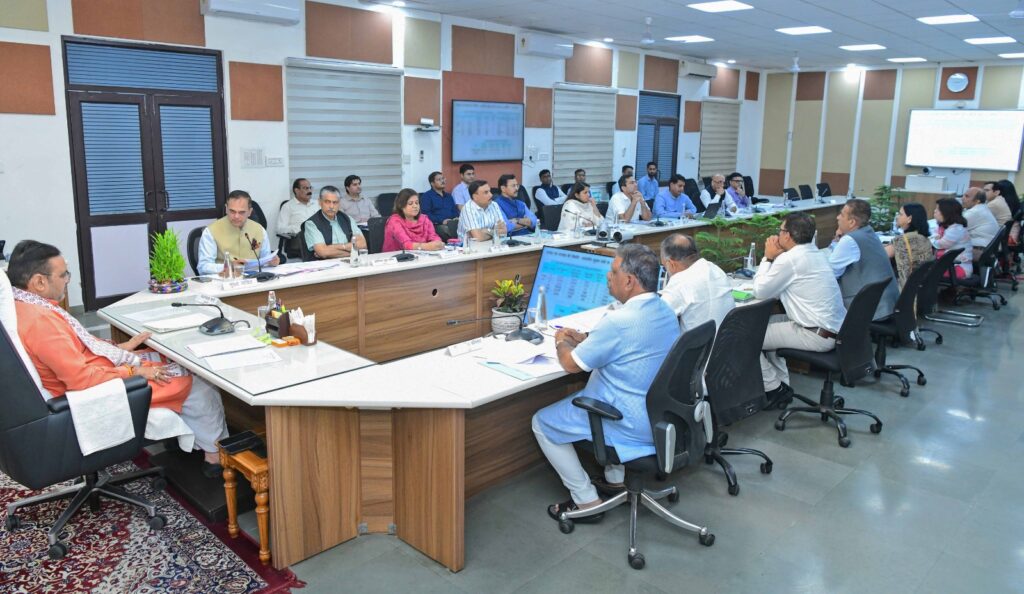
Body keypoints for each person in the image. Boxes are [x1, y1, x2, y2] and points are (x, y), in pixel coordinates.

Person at [8, 241, 228, 477]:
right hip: (93, 395)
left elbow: (75, 351)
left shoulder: (22, 307)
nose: (67, 280)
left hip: (95, 376)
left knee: (161, 357)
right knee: (194, 376)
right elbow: (81, 379)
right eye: (63, 275)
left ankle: (186, 438)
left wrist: (121, 348)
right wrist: (135, 372)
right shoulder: (41, 322)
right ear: (39, 282)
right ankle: (214, 455)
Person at [532, 244, 680, 519]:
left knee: (542, 422)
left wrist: (562, 341)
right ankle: (615, 481)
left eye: (613, 272)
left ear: (629, 281)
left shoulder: (618, 321)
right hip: (661, 416)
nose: (608, 277)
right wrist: (588, 339)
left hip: (627, 421)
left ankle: (586, 500)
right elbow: (632, 346)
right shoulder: (664, 310)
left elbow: (571, 365)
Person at [753, 212, 847, 408]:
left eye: (780, 231)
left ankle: (774, 389)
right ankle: (782, 385)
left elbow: (760, 291)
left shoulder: (790, 259)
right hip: (833, 331)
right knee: (765, 325)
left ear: (787, 235)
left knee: (746, 339)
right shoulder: (815, 253)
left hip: (814, 334)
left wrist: (768, 258)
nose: (777, 235)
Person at [829, 199, 899, 320]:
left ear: (852, 222)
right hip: (887, 304)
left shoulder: (849, 240)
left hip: (870, 310)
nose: (837, 217)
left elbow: (830, 274)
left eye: (842, 214)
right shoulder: (869, 232)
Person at [659, 234, 734, 332]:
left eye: (665, 266)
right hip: (728, 339)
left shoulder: (680, 281)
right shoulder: (715, 269)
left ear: (671, 264)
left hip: (704, 341)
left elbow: (658, 318)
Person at [197, 190, 279, 276]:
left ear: (250, 212)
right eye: (232, 211)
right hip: (225, 279)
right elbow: (203, 267)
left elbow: (265, 259)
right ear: (226, 209)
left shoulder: (259, 229)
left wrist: (271, 262)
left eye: (241, 212)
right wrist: (229, 266)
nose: (236, 216)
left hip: (254, 278)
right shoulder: (211, 231)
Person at [304, 186, 367, 259]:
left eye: (335, 202)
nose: (331, 206)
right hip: (325, 264)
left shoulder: (347, 219)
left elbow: (362, 244)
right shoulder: (311, 223)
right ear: (320, 202)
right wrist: (352, 251)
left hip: (349, 262)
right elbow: (323, 252)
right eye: (327, 202)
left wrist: (339, 247)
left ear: (339, 203)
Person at [884, 203, 935, 290]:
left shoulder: (903, 240)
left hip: (902, 286)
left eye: (900, 214)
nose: (897, 217)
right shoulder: (923, 238)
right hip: (919, 285)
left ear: (909, 219)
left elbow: (881, 254)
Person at [931, 198, 973, 279]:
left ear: (946, 212)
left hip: (959, 268)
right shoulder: (946, 226)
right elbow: (935, 236)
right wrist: (935, 238)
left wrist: (933, 239)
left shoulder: (956, 229)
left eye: (938, 209)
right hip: (950, 265)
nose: (934, 211)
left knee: (924, 272)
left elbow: (940, 244)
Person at [961, 186, 999, 254]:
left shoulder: (974, 212)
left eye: (967, 196)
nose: (962, 198)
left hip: (980, 250)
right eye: (963, 195)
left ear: (977, 201)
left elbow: (954, 228)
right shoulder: (981, 208)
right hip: (986, 248)